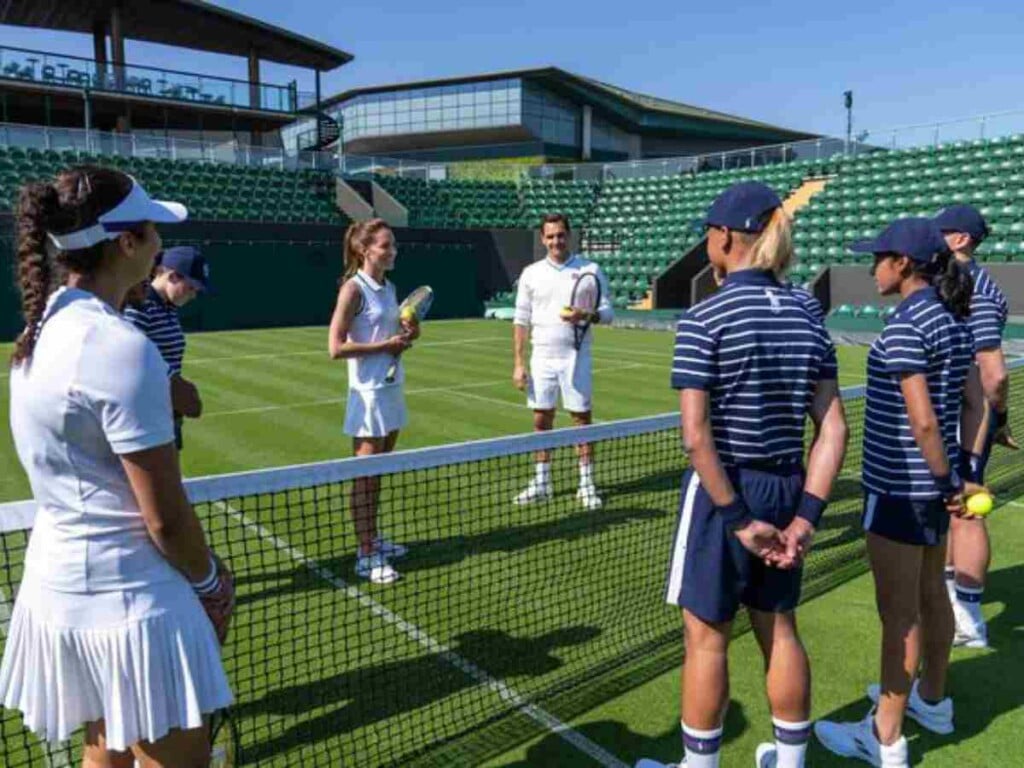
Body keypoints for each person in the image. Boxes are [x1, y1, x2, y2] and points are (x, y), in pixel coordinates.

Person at [0, 166, 233, 767]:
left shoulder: (39, 330)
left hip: (60, 592)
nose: (159, 243)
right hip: (132, 604)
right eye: (151, 230)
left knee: (104, 752)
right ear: (127, 243)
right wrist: (211, 582)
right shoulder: (121, 347)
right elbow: (165, 520)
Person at [642, 182, 848, 768]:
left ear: (725, 237)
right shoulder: (809, 311)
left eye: (709, 230)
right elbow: (833, 429)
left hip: (723, 494)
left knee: (707, 639)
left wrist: (735, 518)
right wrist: (806, 517)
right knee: (780, 627)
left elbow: (694, 435)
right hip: (786, 490)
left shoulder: (705, 315)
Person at [815, 218, 976, 767]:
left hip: (902, 488)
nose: (871, 268)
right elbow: (970, 402)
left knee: (899, 615)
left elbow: (925, 421)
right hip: (930, 488)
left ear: (903, 264)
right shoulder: (951, 319)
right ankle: (932, 700)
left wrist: (943, 481)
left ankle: (885, 735)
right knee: (932, 596)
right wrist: (954, 479)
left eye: (879, 257)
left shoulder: (909, 324)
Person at [933, 205, 1014, 649]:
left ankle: (969, 618)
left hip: (966, 420)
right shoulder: (952, 282)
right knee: (953, 510)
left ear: (962, 239)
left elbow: (994, 373)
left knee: (967, 509)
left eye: (942, 231)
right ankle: (952, 604)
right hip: (955, 416)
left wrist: (992, 419)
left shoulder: (976, 288)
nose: (935, 237)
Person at [328, 218, 417, 585]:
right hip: (367, 396)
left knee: (378, 475)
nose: (392, 250)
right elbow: (335, 347)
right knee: (364, 479)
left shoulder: (389, 286)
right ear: (365, 250)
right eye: (385, 245)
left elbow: (391, 332)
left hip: (392, 388)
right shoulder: (353, 289)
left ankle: (372, 538)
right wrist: (385, 346)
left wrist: (408, 334)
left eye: (393, 244)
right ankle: (366, 555)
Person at [511, 213, 614, 510]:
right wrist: (519, 363)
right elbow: (520, 320)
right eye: (550, 236)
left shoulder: (591, 269)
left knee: (581, 420)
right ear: (543, 239)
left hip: (576, 357)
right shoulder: (531, 273)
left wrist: (584, 315)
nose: (556, 241)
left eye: (561, 235)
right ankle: (542, 482)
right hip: (540, 357)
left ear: (569, 236)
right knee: (541, 419)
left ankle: (586, 483)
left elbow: (607, 313)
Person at [124, 245, 210, 451]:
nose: (193, 295)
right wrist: (179, 389)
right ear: (172, 276)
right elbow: (129, 354)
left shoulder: (168, 307)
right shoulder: (141, 305)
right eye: (191, 287)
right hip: (144, 417)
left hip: (167, 413)